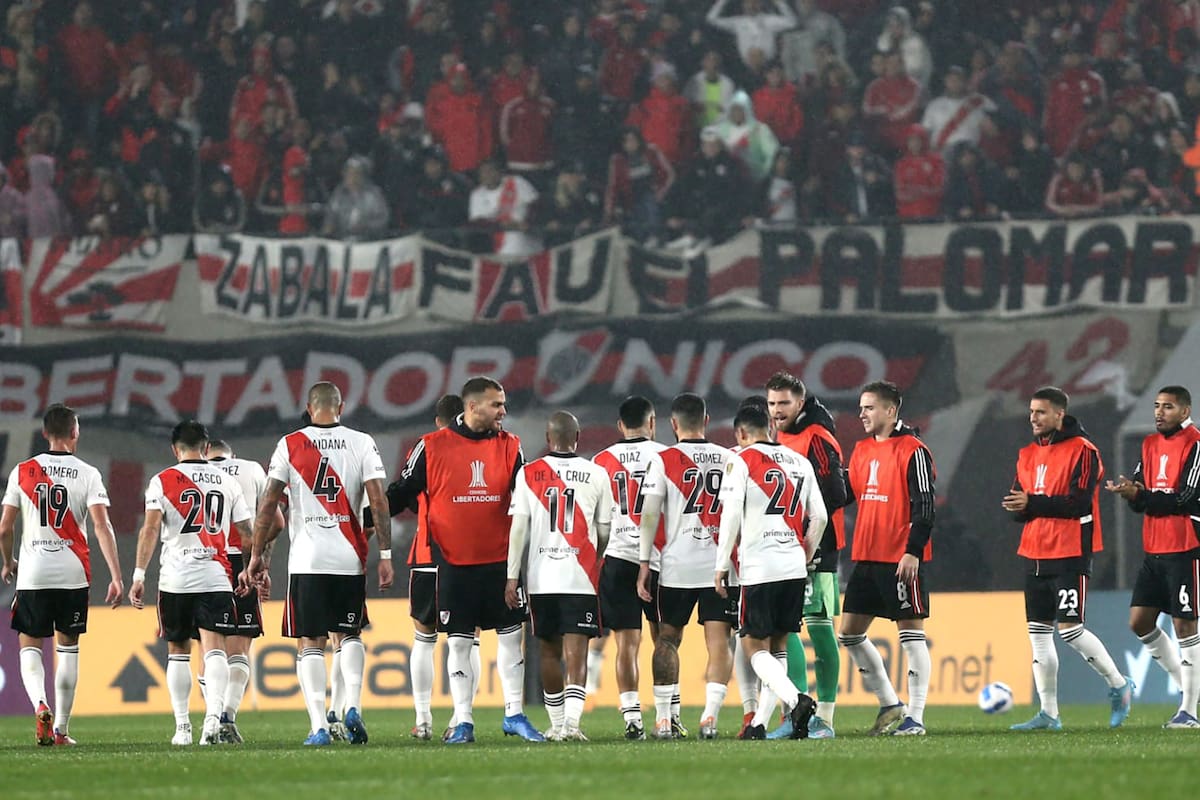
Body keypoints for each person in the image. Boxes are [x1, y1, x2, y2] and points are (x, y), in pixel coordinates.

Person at [386, 376, 542, 745]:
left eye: (504, 404)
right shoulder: (430, 446)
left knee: (510, 639)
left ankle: (514, 715)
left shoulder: (512, 446)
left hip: (501, 564)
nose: (504, 411)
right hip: (452, 564)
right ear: (472, 407)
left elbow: (525, 504)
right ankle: (464, 722)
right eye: (496, 404)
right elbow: (401, 492)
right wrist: (364, 520)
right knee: (458, 643)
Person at [245, 382, 393, 746]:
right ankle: (353, 705)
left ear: (310, 409)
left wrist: (256, 556)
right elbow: (378, 501)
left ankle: (319, 727)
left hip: (308, 558)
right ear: (340, 407)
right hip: (349, 556)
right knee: (350, 633)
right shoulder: (362, 442)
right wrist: (386, 555)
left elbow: (268, 505)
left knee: (310, 641)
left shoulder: (290, 444)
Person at [1002, 386, 1133, 731]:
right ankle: (1049, 714)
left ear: (1060, 415)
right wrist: (1020, 509)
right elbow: (1022, 504)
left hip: (1071, 549)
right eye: (1031, 412)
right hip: (1033, 549)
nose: (1033, 418)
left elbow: (1077, 504)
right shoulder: (1026, 454)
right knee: (1039, 635)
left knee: (1071, 630)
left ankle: (1119, 685)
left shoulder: (1084, 451)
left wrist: (1031, 505)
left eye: (1041, 412)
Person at [0, 404, 122, 746]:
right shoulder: (89, 473)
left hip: (34, 574)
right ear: (74, 433)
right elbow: (102, 526)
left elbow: (5, 527)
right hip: (72, 572)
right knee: (68, 648)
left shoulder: (23, 471)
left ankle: (40, 703)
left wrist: (8, 561)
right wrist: (116, 576)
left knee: (30, 645)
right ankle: (62, 730)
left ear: (44, 433)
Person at [129, 420, 252, 746]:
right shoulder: (227, 481)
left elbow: (150, 530)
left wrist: (139, 575)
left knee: (178, 652)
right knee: (215, 650)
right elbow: (248, 532)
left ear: (175, 448)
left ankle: (183, 728)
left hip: (176, 578)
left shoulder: (162, 481)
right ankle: (213, 719)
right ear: (206, 446)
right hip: (215, 575)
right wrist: (249, 568)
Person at [714, 404, 823, 740]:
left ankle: (796, 700)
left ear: (741, 434)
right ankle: (759, 724)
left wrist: (720, 566)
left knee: (752, 644)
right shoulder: (800, 462)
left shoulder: (741, 460)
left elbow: (730, 515)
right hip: (793, 565)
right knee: (778, 645)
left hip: (760, 566)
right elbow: (819, 517)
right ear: (770, 429)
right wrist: (804, 553)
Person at [506, 411, 614, 741]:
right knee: (576, 651)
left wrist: (512, 576)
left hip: (541, 576)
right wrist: (597, 554)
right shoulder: (596, 473)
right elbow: (605, 529)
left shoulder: (528, 474)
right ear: (577, 438)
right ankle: (572, 724)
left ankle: (555, 725)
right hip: (580, 575)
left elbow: (519, 529)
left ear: (548, 438)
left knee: (548, 651)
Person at [838, 381, 936, 736]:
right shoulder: (861, 450)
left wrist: (913, 550)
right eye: (861, 407)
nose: (862, 413)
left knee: (911, 634)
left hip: (899, 557)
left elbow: (925, 504)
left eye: (869, 407)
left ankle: (916, 717)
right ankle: (890, 702)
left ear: (891, 411)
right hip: (866, 554)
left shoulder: (914, 450)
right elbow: (846, 493)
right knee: (848, 633)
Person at [636, 393, 736, 740]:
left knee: (667, 640)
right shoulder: (729, 459)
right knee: (719, 643)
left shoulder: (663, 460)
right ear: (706, 421)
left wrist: (645, 561)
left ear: (673, 424)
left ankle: (663, 719)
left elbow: (649, 514)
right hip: (719, 567)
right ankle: (709, 717)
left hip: (677, 565)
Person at [1106, 385, 1200, 728]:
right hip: (1154, 549)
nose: (1159, 412)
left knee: (1184, 624)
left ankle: (1189, 710)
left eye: (1169, 407)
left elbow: (1187, 498)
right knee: (1140, 622)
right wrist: (1129, 494)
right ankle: (1188, 689)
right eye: (1157, 406)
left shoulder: (1196, 445)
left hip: (1185, 547)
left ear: (1185, 412)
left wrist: (1141, 494)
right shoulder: (1148, 445)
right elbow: (1139, 491)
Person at [765, 372, 848, 739]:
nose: (777, 410)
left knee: (818, 627)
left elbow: (837, 492)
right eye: (771, 404)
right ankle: (796, 713)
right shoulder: (779, 437)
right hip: (786, 544)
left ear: (800, 403)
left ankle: (825, 717)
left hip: (819, 543)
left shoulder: (818, 439)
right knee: (788, 627)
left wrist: (809, 529)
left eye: (783, 403)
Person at [592, 396, 667, 739]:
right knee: (665, 641)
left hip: (618, 557)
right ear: (652, 423)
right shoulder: (667, 457)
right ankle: (668, 716)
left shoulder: (600, 461)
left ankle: (632, 718)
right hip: (659, 559)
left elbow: (595, 519)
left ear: (620, 426)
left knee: (626, 644)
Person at [396, 394, 465, 741]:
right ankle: (460, 717)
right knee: (466, 641)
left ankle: (423, 720)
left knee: (424, 640)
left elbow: (405, 491)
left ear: (438, 420)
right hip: (468, 558)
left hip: (427, 554)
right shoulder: (474, 450)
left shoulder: (426, 448)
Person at [205, 438, 282, 743]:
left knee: (210, 648)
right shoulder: (251, 470)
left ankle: (209, 720)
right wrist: (261, 561)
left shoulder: (191, 473)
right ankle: (228, 716)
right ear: (231, 454)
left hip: (206, 561)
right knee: (240, 649)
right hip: (243, 558)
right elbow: (276, 521)